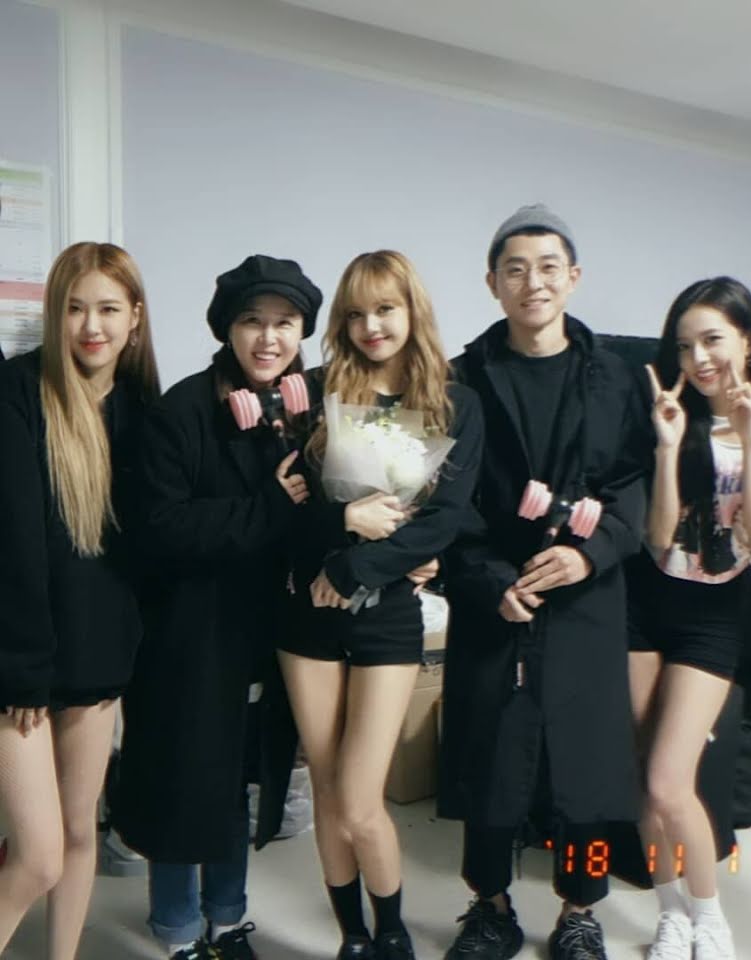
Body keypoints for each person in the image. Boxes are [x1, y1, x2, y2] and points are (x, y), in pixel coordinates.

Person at [439, 204, 649, 960]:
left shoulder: (616, 376)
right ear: (492, 283)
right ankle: (489, 905)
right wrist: (488, 578)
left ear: (574, 277)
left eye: (548, 267)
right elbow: (447, 498)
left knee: (586, 767)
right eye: (516, 269)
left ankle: (581, 910)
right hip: (496, 594)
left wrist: (591, 555)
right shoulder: (462, 379)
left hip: (586, 595)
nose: (534, 282)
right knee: (490, 759)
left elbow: (634, 484)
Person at [273, 249, 482, 960]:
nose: (371, 326)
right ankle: (354, 937)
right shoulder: (313, 392)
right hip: (307, 612)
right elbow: (287, 507)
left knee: (362, 802)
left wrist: (351, 565)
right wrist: (338, 528)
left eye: (385, 309)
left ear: (412, 310)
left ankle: (393, 934)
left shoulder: (454, 402)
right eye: (356, 313)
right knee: (328, 788)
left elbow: (443, 521)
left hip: (386, 610)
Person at [113, 254, 323, 960]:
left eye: (285, 323)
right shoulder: (179, 412)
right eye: (252, 321)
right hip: (189, 634)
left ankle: (227, 919)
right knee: (185, 781)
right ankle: (177, 930)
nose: (269, 338)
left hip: (268, 630)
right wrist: (269, 506)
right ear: (226, 329)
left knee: (239, 780)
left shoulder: (305, 413)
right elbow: (160, 528)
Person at [0, 241, 160, 959]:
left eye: (108, 309)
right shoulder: (17, 391)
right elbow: (15, 545)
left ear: (135, 317)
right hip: (20, 664)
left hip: (98, 658)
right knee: (36, 856)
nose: (92, 326)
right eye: (74, 308)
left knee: (75, 832)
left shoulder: (144, 410)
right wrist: (23, 671)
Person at [631, 277, 751, 960]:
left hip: (715, 616)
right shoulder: (674, 415)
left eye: (713, 340)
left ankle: (710, 916)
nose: (698, 359)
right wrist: (668, 447)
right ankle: (670, 914)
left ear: (747, 340)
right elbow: (659, 535)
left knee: (670, 781)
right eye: (684, 345)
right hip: (646, 605)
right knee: (645, 777)